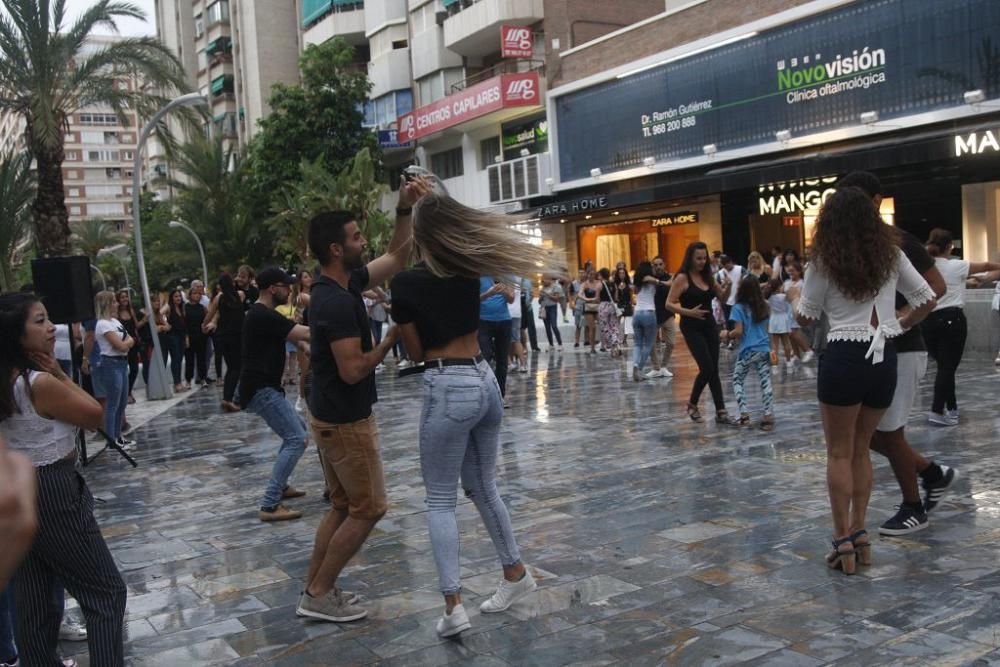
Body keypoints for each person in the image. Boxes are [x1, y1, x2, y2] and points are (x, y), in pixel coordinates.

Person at [390, 191, 553, 637]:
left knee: (440, 499)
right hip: (485, 381)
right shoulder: (468, 270)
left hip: (447, 383)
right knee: (484, 486)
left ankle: (453, 607)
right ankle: (515, 573)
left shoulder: (404, 284)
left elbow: (418, 352)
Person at [296, 175, 429, 624]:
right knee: (369, 508)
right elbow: (352, 369)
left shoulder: (344, 283)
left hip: (331, 417)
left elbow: (397, 255)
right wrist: (391, 338)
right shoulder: (335, 301)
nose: (362, 241)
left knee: (342, 506)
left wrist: (404, 208)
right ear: (336, 248)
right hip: (347, 421)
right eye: (355, 237)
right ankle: (319, 592)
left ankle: (315, 590)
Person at [792, 187, 935, 574]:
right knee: (860, 450)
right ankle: (860, 532)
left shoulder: (824, 260)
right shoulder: (891, 253)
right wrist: (898, 323)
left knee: (839, 452)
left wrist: (794, 299)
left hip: (843, 355)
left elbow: (806, 316)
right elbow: (927, 297)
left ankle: (842, 540)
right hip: (884, 355)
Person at [0, 292, 127, 666]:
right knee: (106, 594)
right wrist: (57, 372)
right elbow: (93, 415)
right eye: (39, 321)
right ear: (15, 334)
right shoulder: (38, 383)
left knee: (36, 602)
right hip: (53, 489)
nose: (50, 327)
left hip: (17, 489)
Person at [236, 267, 311, 522]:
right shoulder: (261, 315)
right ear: (272, 289)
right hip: (262, 389)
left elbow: (294, 337)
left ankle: (281, 487)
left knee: (297, 431)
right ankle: (269, 504)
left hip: (264, 387)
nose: (290, 290)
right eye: (286, 286)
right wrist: (336, 324)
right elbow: (303, 333)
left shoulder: (265, 314)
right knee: (296, 438)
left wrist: (305, 347)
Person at [922, 228, 1000, 426]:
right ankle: (937, 410)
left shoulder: (924, 266)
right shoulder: (957, 266)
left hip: (928, 321)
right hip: (952, 319)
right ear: (950, 246)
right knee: (948, 368)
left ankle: (952, 408)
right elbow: (987, 265)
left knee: (943, 367)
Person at [667, 242, 733, 423]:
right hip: (691, 325)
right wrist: (689, 312)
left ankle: (721, 410)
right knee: (707, 367)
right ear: (690, 258)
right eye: (698, 258)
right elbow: (669, 303)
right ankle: (693, 403)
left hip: (709, 324)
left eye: (704, 258)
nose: (702, 262)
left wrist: (728, 287)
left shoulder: (708, 276)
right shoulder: (682, 277)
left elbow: (722, 298)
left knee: (714, 368)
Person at [724, 278, 775, 430]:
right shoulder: (764, 305)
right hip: (763, 348)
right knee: (765, 382)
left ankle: (745, 415)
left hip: (748, 350)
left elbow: (739, 332)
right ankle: (767, 416)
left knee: (737, 380)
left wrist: (726, 334)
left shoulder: (738, 308)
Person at [93, 291, 135, 450]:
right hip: (111, 363)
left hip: (122, 363)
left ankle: (118, 435)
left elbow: (130, 339)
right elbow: (122, 345)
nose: (117, 304)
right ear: (107, 304)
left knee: (122, 402)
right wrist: (128, 343)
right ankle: (111, 438)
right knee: (113, 403)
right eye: (114, 302)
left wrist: (128, 343)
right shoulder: (102, 324)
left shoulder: (115, 321)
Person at [206, 274, 245, 413]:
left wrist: (204, 325)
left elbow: (210, 315)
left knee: (231, 367)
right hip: (238, 335)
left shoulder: (218, 298)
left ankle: (227, 398)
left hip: (224, 336)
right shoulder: (240, 295)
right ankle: (228, 398)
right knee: (237, 367)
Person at [479, 277, 515, 396]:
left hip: (504, 320)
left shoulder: (506, 274)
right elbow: (473, 300)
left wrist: (504, 291)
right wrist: (489, 293)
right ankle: (486, 394)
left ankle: (500, 396)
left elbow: (511, 299)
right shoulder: (479, 274)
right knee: (485, 358)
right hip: (484, 321)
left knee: (502, 361)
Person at [629, 261, 658, 381]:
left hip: (637, 313)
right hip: (649, 313)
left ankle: (636, 366)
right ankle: (640, 368)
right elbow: (659, 282)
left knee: (637, 344)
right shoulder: (652, 280)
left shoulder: (638, 283)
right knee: (648, 344)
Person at [647, 256, 675, 379]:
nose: (658, 267)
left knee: (671, 343)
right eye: (655, 265)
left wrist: (658, 282)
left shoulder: (670, 277)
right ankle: (656, 368)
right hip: (652, 315)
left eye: (660, 264)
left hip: (668, 314)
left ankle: (664, 366)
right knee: (651, 343)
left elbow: (671, 286)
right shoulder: (648, 279)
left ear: (664, 265)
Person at [783, 262, 815, 363]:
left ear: (799, 271)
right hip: (787, 310)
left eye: (793, 271)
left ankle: (807, 350)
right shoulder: (787, 283)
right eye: (789, 271)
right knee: (789, 333)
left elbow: (803, 297)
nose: (791, 273)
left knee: (793, 333)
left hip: (795, 310)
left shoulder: (802, 283)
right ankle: (796, 354)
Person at [161, 288, 188, 392]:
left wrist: (186, 337)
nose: (178, 298)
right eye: (176, 296)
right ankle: (177, 383)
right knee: (175, 359)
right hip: (172, 337)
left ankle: (179, 382)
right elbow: (159, 314)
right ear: (172, 298)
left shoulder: (181, 308)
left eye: (179, 296)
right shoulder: (169, 307)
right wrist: (165, 324)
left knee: (180, 359)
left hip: (181, 336)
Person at [183, 283, 210, 387]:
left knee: (201, 358)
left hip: (201, 336)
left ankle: (202, 378)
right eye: (194, 293)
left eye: (199, 294)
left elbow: (207, 319)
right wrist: (186, 336)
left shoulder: (202, 307)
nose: (197, 295)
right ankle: (188, 380)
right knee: (189, 359)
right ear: (190, 295)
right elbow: (184, 323)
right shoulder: (185, 307)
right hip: (189, 336)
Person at [766, 279, 795, 368]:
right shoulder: (783, 296)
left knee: (775, 344)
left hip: (774, 319)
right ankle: (788, 361)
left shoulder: (769, 297)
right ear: (778, 286)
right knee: (786, 342)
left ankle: (775, 362)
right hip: (783, 319)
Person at [597, 268, 623, 356]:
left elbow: (597, 298)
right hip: (612, 306)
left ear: (601, 275)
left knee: (605, 327)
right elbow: (616, 297)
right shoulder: (613, 284)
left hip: (603, 306)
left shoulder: (600, 284)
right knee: (614, 326)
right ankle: (617, 344)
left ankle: (613, 345)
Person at [717, 255, 743, 340]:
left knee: (740, 321)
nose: (726, 267)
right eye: (724, 265)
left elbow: (749, 280)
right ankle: (730, 339)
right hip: (727, 301)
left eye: (727, 264)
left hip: (739, 300)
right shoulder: (720, 274)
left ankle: (740, 337)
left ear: (731, 262)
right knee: (728, 321)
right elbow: (717, 287)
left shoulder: (740, 269)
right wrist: (723, 285)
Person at [538, 276, 564, 350]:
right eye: (543, 280)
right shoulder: (542, 289)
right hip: (544, 308)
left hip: (552, 307)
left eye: (545, 280)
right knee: (547, 327)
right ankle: (551, 344)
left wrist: (546, 294)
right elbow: (540, 302)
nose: (543, 282)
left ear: (549, 279)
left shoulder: (555, 287)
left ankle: (560, 344)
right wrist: (541, 298)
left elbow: (556, 299)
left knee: (554, 325)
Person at [579, 268, 601, 353]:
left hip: (597, 306)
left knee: (601, 325)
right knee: (592, 327)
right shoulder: (585, 284)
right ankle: (592, 348)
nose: (591, 276)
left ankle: (603, 344)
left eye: (593, 274)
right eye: (590, 274)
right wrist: (586, 299)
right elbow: (579, 294)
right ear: (587, 275)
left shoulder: (598, 283)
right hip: (588, 307)